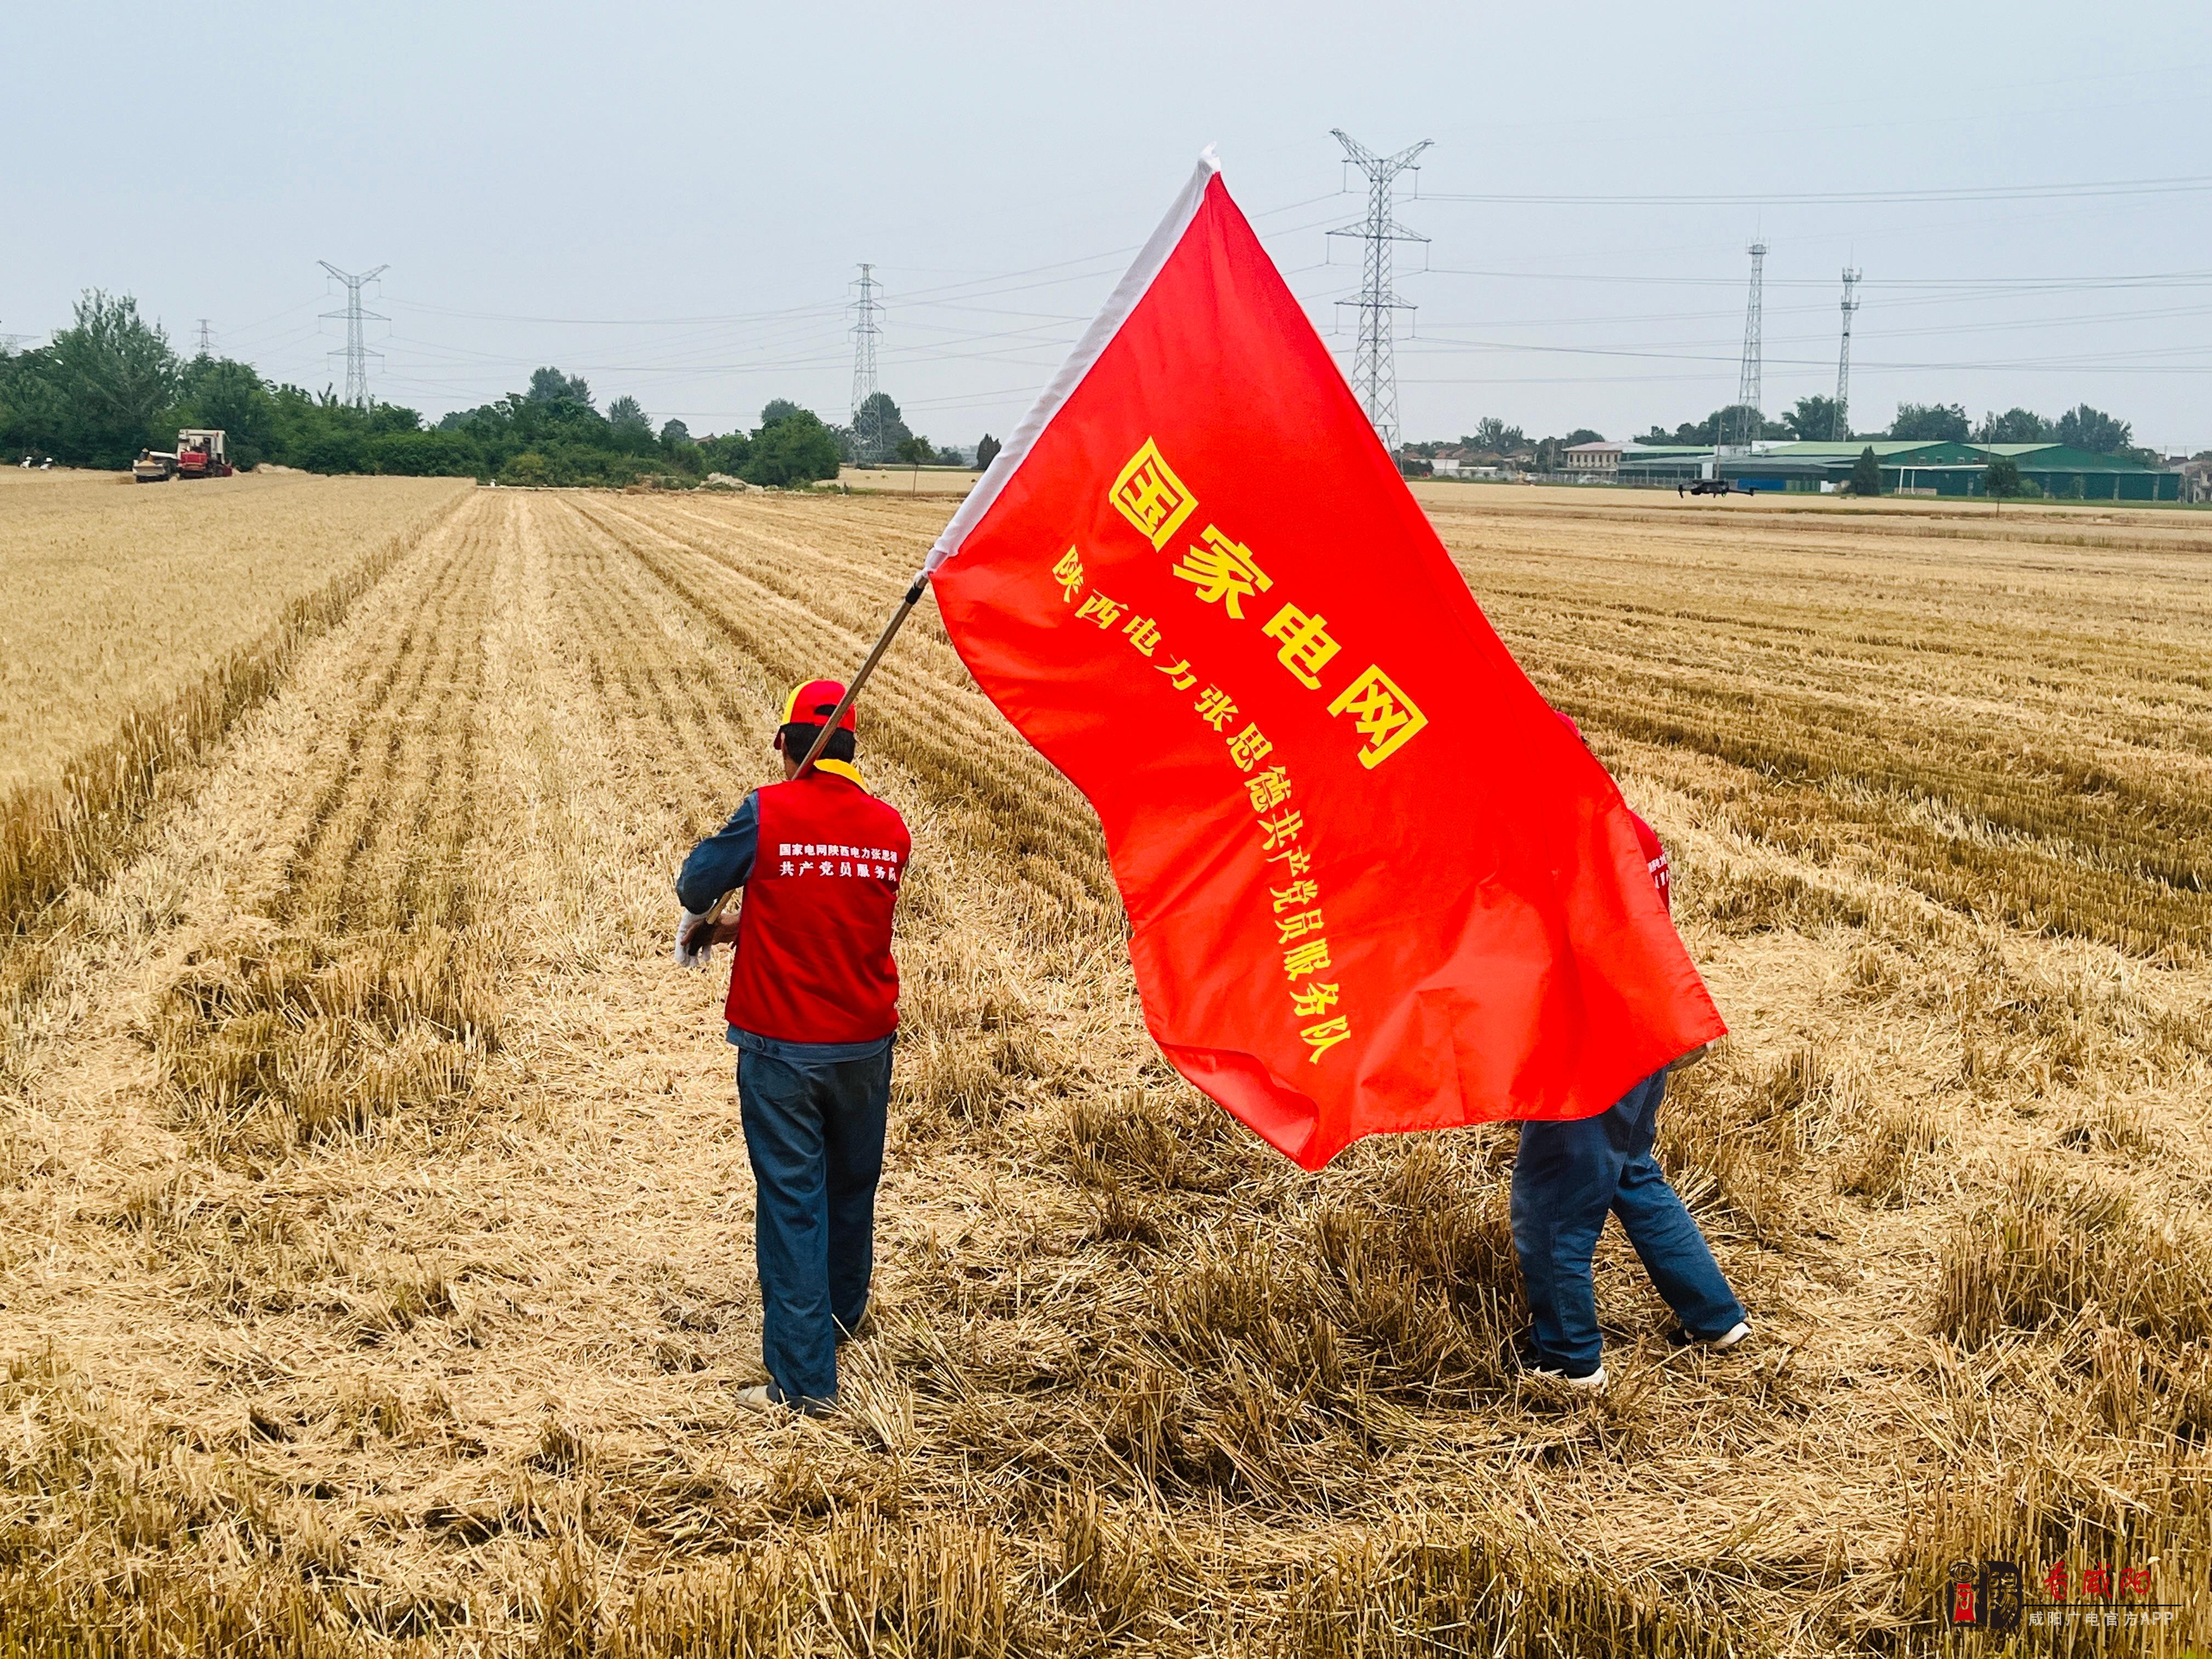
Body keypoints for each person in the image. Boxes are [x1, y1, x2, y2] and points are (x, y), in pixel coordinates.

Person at [673, 680, 912, 1415]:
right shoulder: (890, 828)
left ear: (786, 745)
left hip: (781, 1047)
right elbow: (823, 913)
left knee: (792, 1203)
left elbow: (693, 885)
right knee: (849, 1186)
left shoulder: (767, 812)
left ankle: (804, 1382)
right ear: (851, 749)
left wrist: (712, 913)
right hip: (864, 1046)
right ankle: (840, 1317)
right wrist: (736, 930)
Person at [1511, 713, 1749, 1391]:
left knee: (1551, 1207)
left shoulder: (1563, 844)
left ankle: (1568, 1360)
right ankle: (1715, 1316)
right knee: (1630, 1173)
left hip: (1594, 1052)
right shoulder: (1629, 826)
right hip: (1647, 1038)